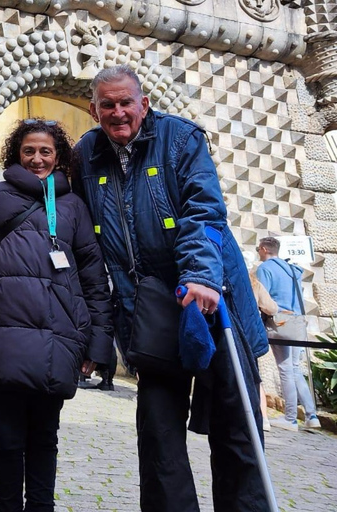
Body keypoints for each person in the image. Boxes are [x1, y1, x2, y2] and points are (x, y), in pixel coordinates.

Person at [72, 65, 270, 512]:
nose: (119, 112)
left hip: (211, 299)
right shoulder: (86, 154)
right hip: (147, 311)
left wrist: (199, 274)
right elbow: (82, 234)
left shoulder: (181, 138)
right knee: (158, 437)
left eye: (127, 103)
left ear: (144, 104)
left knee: (236, 427)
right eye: (108, 105)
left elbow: (204, 210)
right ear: (93, 110)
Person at [0, 118, 114, 512]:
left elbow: (94, 278)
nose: (37, 158)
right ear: (16, 153)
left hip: (57, 338)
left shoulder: (73, 206)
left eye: (45, 151)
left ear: (59, 156)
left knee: (45, 437)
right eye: (29, 150)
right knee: (6, 438)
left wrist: (97, 343)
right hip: (1, 337)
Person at [255, 236, 321, 431]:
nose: (258, 251)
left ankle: (290, 418)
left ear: (266, 249)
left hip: (281, 321)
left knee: (285, 368)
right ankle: (312, 415)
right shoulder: (292, 269)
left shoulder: (265, 269)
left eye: (259, 248)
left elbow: (264, 299)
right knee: (294, 368)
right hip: (298, 321)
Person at [248, 267, 278, 432]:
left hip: (229, 334)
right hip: (251, 334)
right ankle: (264, 418)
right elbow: (271, 308)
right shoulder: (255, 284)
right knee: (254, 377)